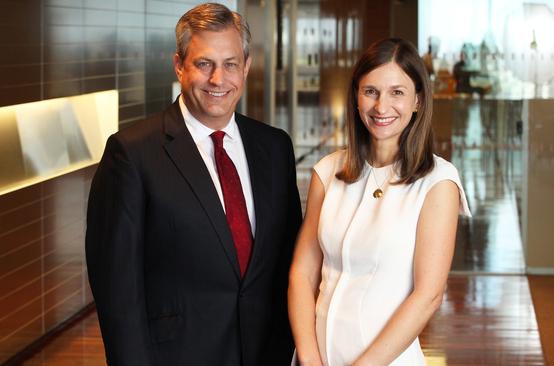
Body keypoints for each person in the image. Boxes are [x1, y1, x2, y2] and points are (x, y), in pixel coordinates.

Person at [85, 3, 302, 366]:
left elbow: (291, 261)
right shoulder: (132, 153)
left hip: (267, 352)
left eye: (231, 64)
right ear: (179, 65)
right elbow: (117, 290)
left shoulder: (275, 147)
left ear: (246, 67)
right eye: (204, 64)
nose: (218, 79)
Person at [288, 38, 470, 366]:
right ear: (356, 97)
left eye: (397, 92)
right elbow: (302, 273)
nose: (381, 107)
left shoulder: (438, 182)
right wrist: (309, 356)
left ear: (417, 100)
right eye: (370, 91)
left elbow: (427, 296)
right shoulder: (328, 171)